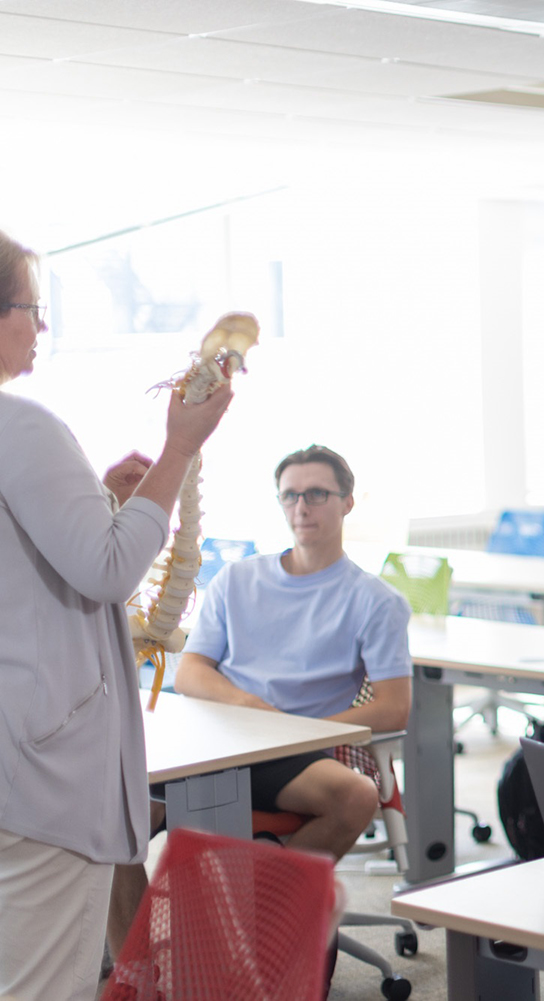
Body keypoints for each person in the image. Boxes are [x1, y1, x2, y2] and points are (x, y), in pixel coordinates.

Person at [0, 229, 233, 1001]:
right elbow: (106, 568)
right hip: (40, 764)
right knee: (38, 982)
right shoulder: (21, 425)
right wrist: (179, 450)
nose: (40, 327)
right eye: (33, 308)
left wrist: (96, 502)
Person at [173, 445, 412, 851]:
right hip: (219, 733)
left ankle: (276, 905)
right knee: (118, 800)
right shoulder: (236, 579)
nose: (302, 507)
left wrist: (301, 732)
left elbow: (393, 707)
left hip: (294, 751)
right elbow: (190, 671)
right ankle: (137, 916)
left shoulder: (376, 600)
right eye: (291, 495)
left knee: (357, 796)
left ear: (347, 503)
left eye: (317, 494)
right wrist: (247, 706)